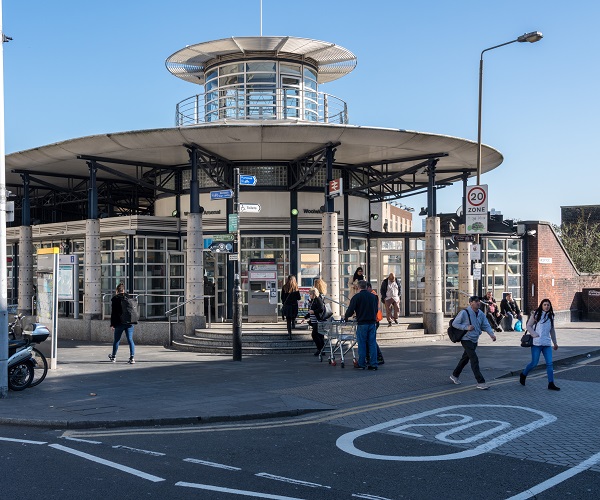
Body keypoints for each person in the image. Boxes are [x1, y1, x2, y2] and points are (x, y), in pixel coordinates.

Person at [449, 295, 497, 389]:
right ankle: (481, 382)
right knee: (474, 359)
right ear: (471, 303)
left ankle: (455, 375)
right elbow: (455, 323)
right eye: (475, 301)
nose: (478, 303)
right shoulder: (464, 312)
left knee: (465, 359)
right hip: (466, 339)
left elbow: (485, 325)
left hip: (474, 339)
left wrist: (491, 334)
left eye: (479, 301)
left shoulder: (481, 313)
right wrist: (466, 327)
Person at [519, 299, 560, 391]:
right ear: (541, 305)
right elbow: (528, 326)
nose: (546, 306)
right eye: (545, 305)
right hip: (536, 343)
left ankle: (551, 383)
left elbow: (552, 330)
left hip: (546, 343)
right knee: (534, 363)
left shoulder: (551, 316)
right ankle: (523, 374)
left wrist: (555, 343)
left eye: (548, 305)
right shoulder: (536, 315)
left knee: (549, 364)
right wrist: (534, 334)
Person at [344, 280, 379, 370]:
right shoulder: (373, 297)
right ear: (366, 287)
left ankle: (362, 363)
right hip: (372, 323)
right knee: (372, 343)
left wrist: (346, 317)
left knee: (362, 343)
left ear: (358, 287)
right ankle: (374, 364)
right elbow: (376, 310)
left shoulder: (356, 297)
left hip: (362, 323)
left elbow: (350, 310)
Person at [109, 283, 136, 364]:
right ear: (124, 290)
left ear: (117, 291)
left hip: (119, 323)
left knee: (116, 340)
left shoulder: (115, 299)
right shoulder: (129, 297)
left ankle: (113, 357)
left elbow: (113, 313)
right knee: (130, 340)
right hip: (129, 323)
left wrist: (112, 324)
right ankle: (132, 358)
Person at [302, 287, 325, 356]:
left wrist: (314, 311)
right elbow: (310, 312)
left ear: (314, 294)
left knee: (314, 335)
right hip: (314, 321)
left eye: (310, 294)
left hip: (318, 321)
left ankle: (320, 349)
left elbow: (321, 309)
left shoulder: (318, 299)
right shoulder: (312, 301)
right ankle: (321, 349)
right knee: (319, 335)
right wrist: (305, 317)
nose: (309, 295)